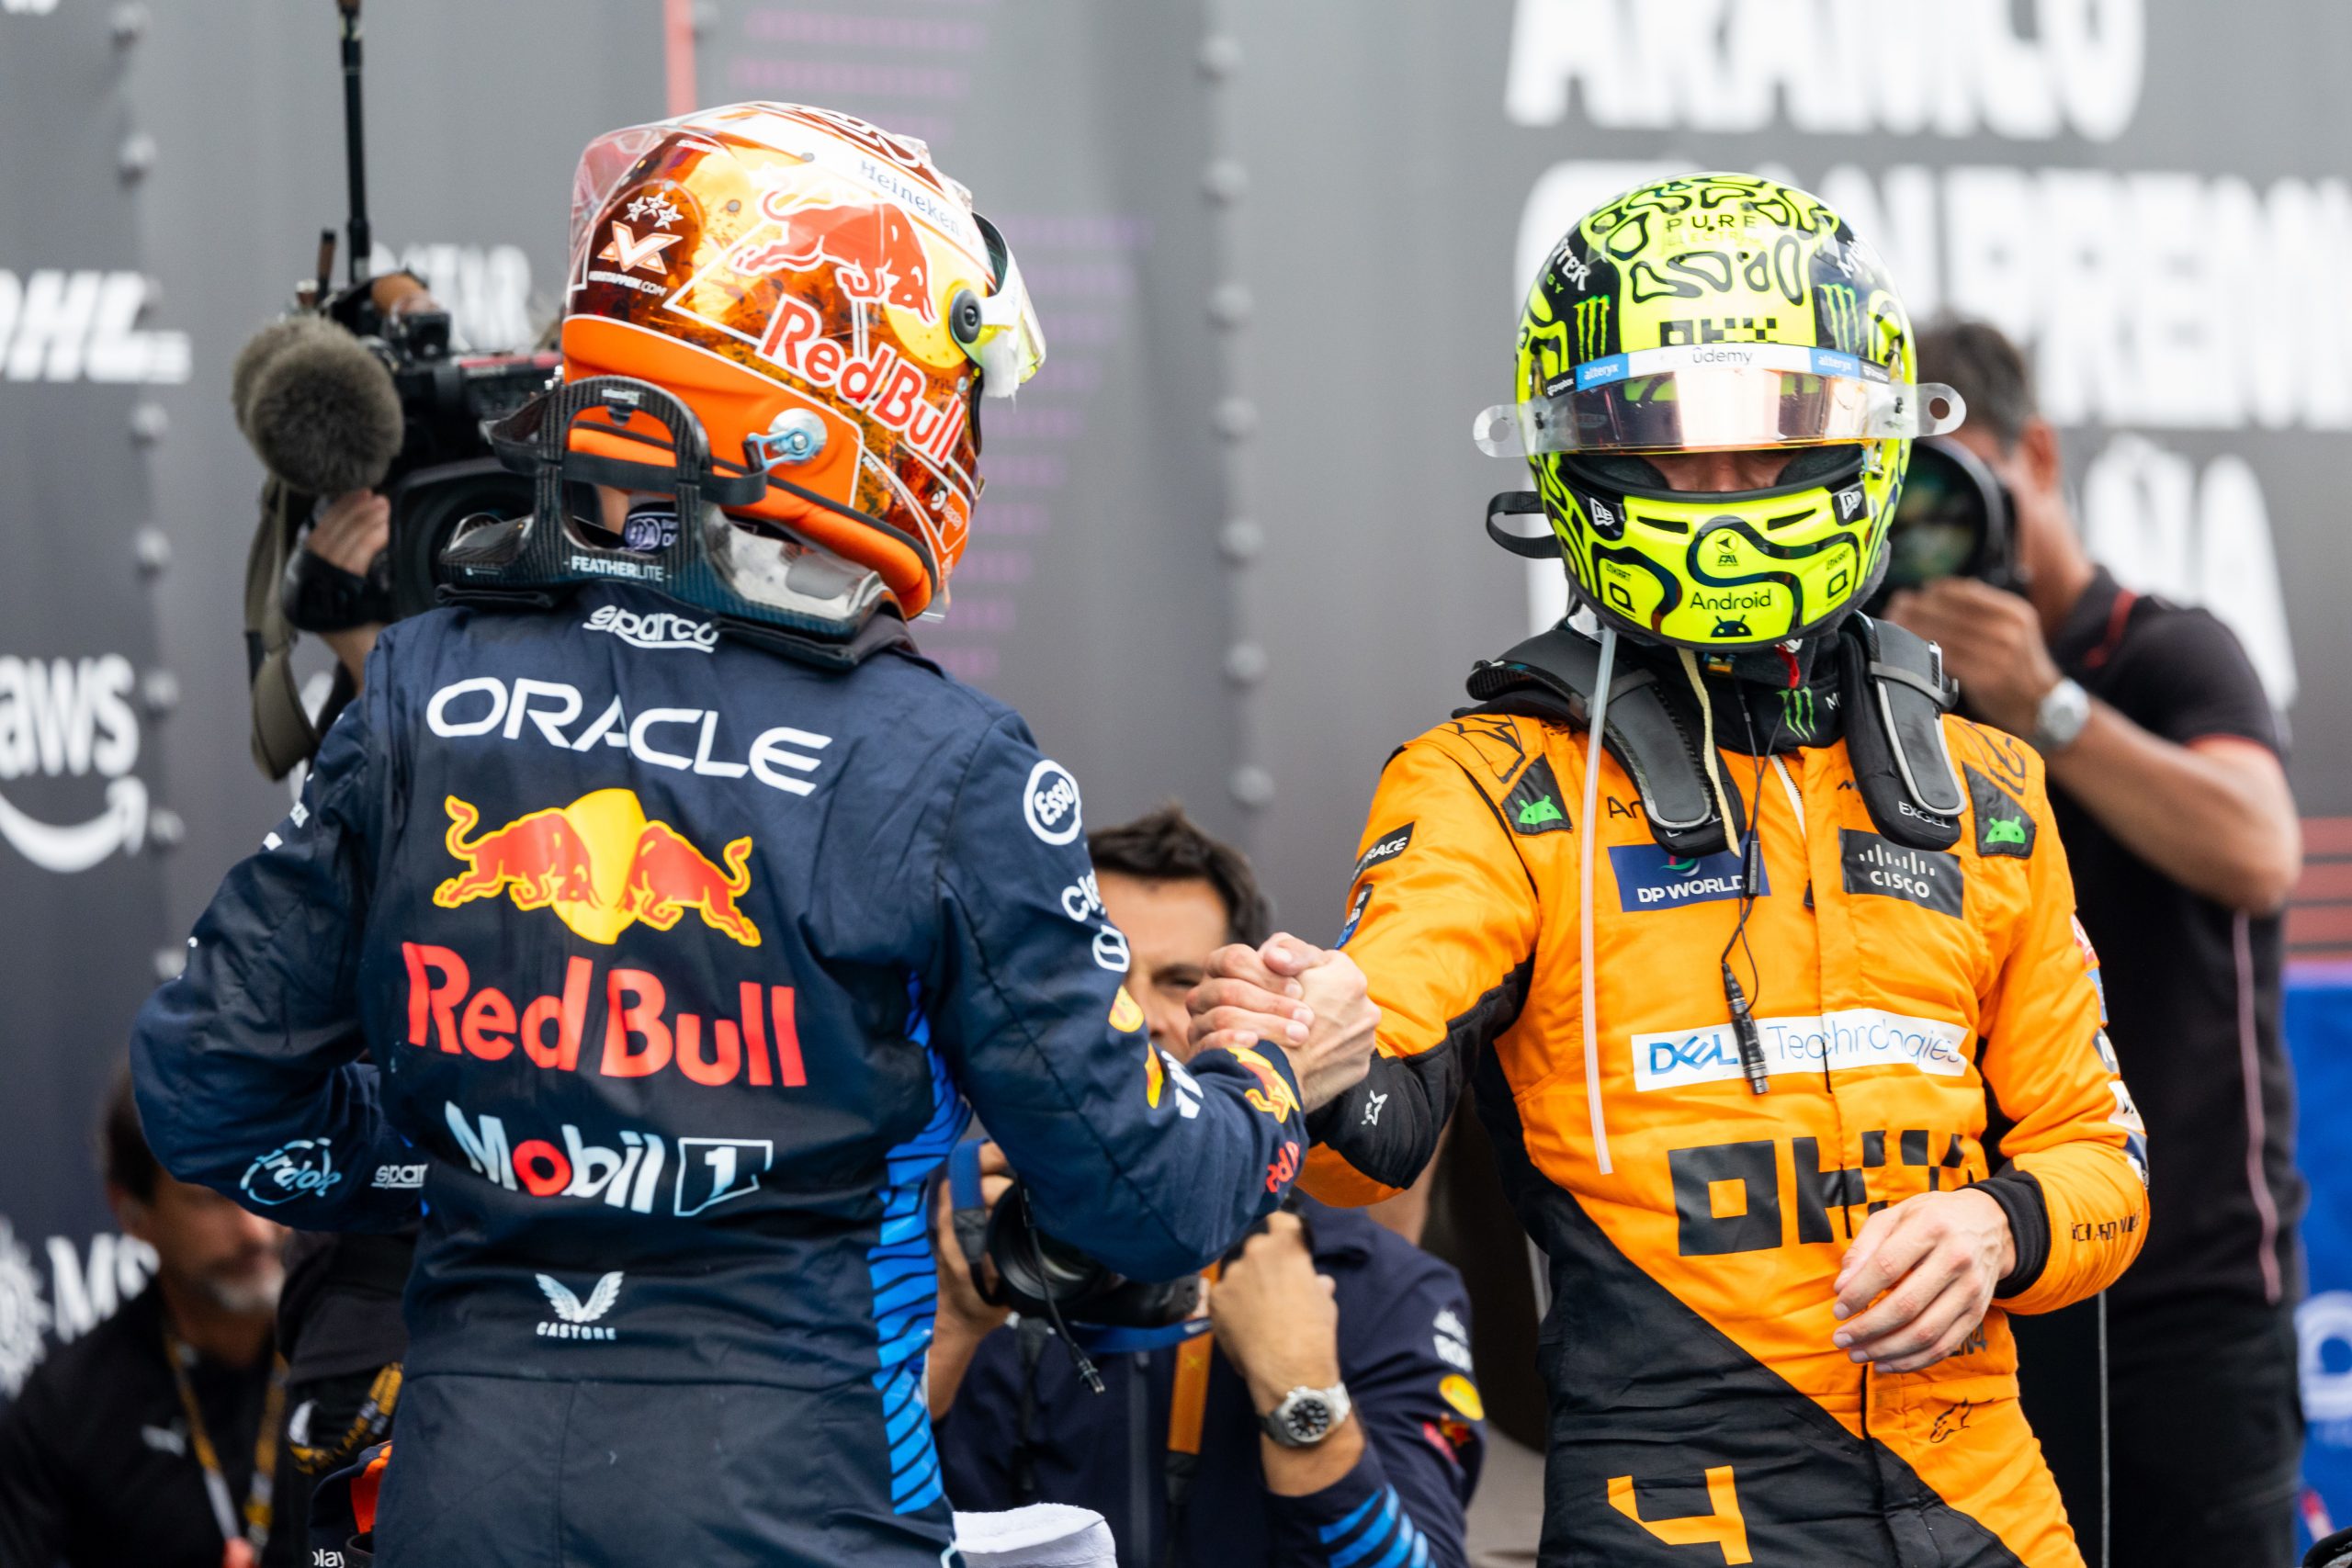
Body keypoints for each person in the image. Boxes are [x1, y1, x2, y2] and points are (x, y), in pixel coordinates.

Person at [129, 102, 1375, 1568]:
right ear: (870, 380)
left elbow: (208, 1097)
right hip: (798, 1505)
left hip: (457, 1495)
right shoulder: (944, 759)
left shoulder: (420, 678)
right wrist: (1280, 1068)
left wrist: (475, 1154)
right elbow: (1148, 1200)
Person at [1189, 173, 2151, 1566]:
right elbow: (1376, 1113)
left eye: (1771, 447)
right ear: (1578, 463)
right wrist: (1322, 1048)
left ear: (1866, 439)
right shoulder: (1495, 781)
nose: (1723, 488)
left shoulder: (1987, 787)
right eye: (1667, 449)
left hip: (1992, 1511)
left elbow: (2102, 1165)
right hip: (1679, 1518)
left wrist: (1997, 1223)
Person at [1886, 319, 2305, 1567]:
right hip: (1988, 1287)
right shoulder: (1900, 700)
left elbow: (2260, 849)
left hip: (2190, 1293)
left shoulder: (2166, 650)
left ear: (2038, 458)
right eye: (1893, 499)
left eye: (1953, 489)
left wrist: (2048, 708)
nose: (1930, 531)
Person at [932, 807, 1486, 1566]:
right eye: (1100, 975)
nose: (1134, 1018)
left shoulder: (1373, 1287)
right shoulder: (955, 1252)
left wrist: (1302, 1392)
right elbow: (816, 1527)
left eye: (1181, 982)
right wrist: (950, 1333)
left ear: (1246, 1013)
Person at [0, 1069, 288, 1568]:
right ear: (131, 1212)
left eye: (270, 1178)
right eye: (211, 1196)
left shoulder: (375, 1366)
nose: (255, 1228)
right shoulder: (64, 1409)